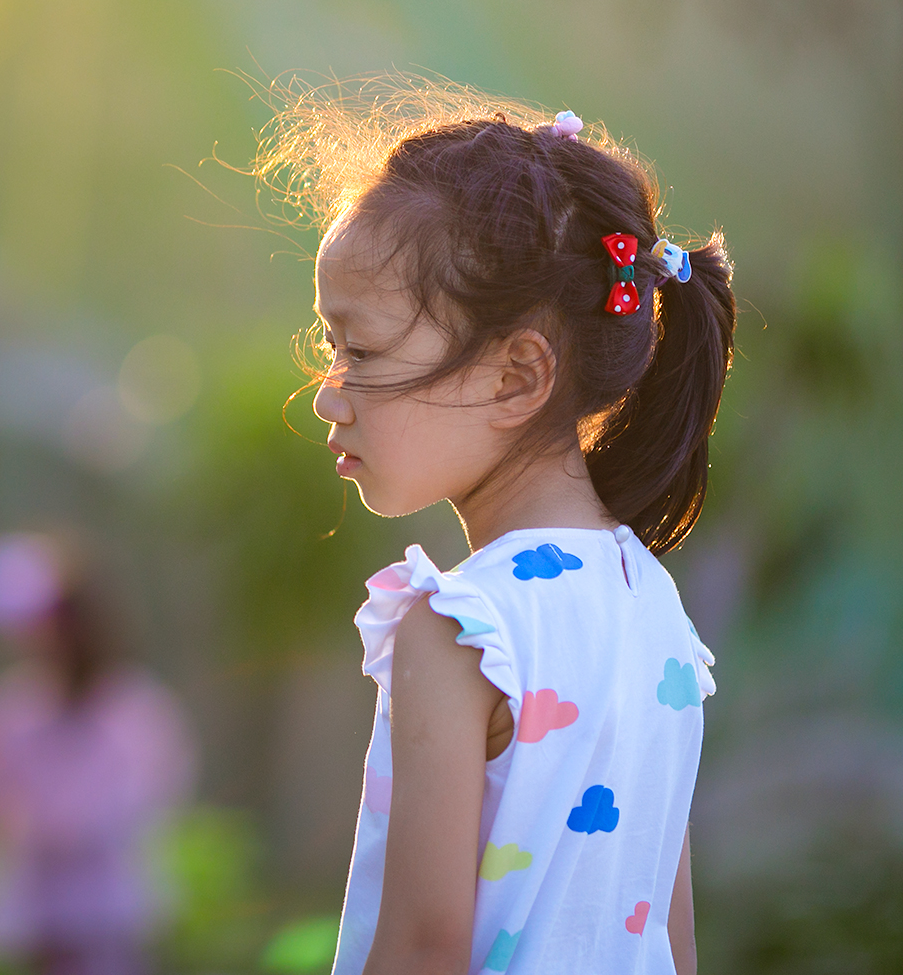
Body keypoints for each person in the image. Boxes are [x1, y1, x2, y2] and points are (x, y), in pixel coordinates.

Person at [254, 84, 735, 974]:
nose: (329, 392)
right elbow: (670, 942)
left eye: (358, 350)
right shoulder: (656, 611)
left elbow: (424, 947)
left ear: (517, 377)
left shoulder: (462, 628)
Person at [0, 532, 195, 975]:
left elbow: (126, 806)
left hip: (105, 926)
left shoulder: (132, 709)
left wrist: (34, 821)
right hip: (31, 929)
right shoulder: (8, 708)